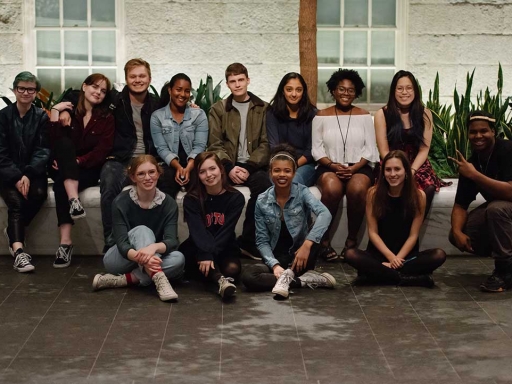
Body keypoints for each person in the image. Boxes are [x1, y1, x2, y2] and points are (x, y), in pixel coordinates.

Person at [59, 59, 161, 251]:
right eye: (133, 76)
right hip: (119, 158)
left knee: (164, 184)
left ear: (149, 78)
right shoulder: (115, 100)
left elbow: (179, 107)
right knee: (108, 182)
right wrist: (63, 108)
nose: (137, 80)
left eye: (142, 76)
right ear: (126, 79)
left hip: (150, 158)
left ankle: (155, 240)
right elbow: (79, 94)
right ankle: (112, 242)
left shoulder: (157, 104)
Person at [242, 145, 336, 299]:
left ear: (294, 173)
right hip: (277, 256)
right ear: (270, 172)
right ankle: (303, 281)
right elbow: (261, 240)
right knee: (248, 277)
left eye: (287, 171)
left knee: (315, 232)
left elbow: (325, 214)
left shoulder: (302, 192)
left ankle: (289, 277)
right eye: (277, 170)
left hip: (301, 256)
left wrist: (307, 244)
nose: (282, 175)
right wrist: (274, 265)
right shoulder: (262, 200)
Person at [345, 150, 446, 287]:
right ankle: (406, 278)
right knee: (351, 254)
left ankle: (378, 276)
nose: (392, 174)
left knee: (439, 255)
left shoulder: (419, 196)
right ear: (383, 172)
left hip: (406, 257)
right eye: (388, 170)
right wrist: (391, 258)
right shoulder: (373, 194)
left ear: (406, 171)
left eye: (397, 169)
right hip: (379, 255)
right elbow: (373, 233)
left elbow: (413, 235)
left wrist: (398, 259)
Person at [92, 155, 185, 301]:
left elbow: (172, 241)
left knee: (179, 259)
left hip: (154, 255)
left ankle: (124, 280)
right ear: (133, 177)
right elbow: (122, 245)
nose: (147, 177)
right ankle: (159, 278)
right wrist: (145, 258)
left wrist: (152, 249)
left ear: (159, 174)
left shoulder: (169, 204)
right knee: (142, 229)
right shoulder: (120, 202)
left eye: (152, 172)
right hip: (121, 258)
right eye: (141, 173)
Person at [312, 69, 379, 261]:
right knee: (332, 189)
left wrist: (354, 168)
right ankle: (323, 241)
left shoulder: (365, 116)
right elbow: (316, 150)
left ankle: (351, 242)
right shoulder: (321, 116)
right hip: (328, 165)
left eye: (351, 90)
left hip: (359, 165)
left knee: (358, 189)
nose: (345, 93)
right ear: (333, 90)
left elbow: (370, 149)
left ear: (356, 93)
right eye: (341, 89)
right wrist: (334, 166)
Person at [48, 73, 114, 268]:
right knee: (65, 143)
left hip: (88, 168)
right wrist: (54, 110)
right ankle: (74, 201)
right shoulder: (68, 112)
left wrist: (77, 161)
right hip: (60, 164)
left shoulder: (106, 118)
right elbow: (53, 141)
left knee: (60, 187)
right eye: (95, 87)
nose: (98, 93)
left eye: (103, 91)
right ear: (84, 87)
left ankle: (65, 243)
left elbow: (103, 150)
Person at [208, 62, 272, 259]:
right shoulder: (218, 109)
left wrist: (248, 166)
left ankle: (248, 241)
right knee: (211, 187)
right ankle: (216, 242)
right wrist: (229, 167)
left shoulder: (263, 108)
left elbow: (266, 143)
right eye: (232, 81)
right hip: (227, 166)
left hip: (253, 166)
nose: (237, 85)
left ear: (248, 80)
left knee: (263, 187)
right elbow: (215, 144)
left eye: (240, 80)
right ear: (227, 84)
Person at [449, 111, 512, 292]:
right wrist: (457, 231)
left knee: (496, 209)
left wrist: (475, 175)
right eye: (473, 132)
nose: (478, 136)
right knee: (457, 233)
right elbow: (460, 205)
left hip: (503, 209)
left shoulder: (507, 150)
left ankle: (504, 271)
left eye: (483, 131)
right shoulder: (472, 162)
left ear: (493, 131)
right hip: (504, 214)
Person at [374, 70, 448, 217]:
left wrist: (411, 170)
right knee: (391, 187)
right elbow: (383, 150)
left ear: (415, 91)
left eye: (409, 88)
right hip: (391, 162)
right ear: (393, 91)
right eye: (400, 88)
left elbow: (424, 149)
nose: (404, 92)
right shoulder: (382, 114)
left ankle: (413, 231)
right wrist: (397, 169)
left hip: (417, 164)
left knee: (427, 188)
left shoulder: (425, 114)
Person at [0, 71, 50, 272]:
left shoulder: (40, 117)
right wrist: (16, 176)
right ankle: (19, 252)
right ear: (14, 90)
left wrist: (28, 174)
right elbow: (0, 152)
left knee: (39, 194)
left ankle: (13, 232)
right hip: (5, 171)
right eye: (22, 88)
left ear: (36, 93)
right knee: (16, 203)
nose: (26, 92)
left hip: (32, 172)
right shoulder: (2, 116)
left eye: (31, 89)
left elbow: (43, 149)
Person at [179, 152, 244, 300]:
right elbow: (198, 231)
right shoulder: (191, 199)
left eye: (212, 169)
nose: (208, 175)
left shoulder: (235, 198)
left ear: (221, 169)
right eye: (202, 172)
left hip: (224, 244)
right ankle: (220, 281)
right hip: (198, 246)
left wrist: (209, 254)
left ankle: (215, 275)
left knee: (233, 269)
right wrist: (204, 252)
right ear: (198, 175)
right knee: (191, 262)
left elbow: (226, 231)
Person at [150, 73, 208, 198]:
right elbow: (162, 148)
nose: (182, 94)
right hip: (169, 164)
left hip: (193, 163)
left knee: (198, 188)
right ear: (170, 90)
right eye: (178, 89)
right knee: (165, 186)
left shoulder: (199, 114)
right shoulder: (157, 117)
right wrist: (178, 167)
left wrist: (187, 168)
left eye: (187, 91)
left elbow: (199, 146)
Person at [266, 72, 317, 186]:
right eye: (289, 89)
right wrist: (285, 167)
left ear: (303, 92)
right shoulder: (272, 113)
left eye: (298, 90)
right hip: (280, 162)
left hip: (305, 164)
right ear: (282, 91)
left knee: (293, 181)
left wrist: (293, 166)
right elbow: (274, 146)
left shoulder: (313, 114)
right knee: (277, 179)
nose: (294, 94)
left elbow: (311, 150)